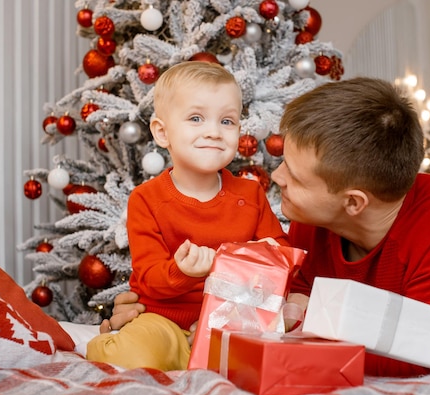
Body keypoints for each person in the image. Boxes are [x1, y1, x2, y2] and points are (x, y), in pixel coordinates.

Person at [102, 77, 430, 377]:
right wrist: (154, 307)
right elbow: (271, 308)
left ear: (352, 202)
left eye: (294, 176)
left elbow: (426, 360)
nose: (274, 177)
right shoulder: (312, 223)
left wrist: (304, 328)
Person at [86, 61, 288, 371]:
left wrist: (224, 317)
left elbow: (278, 261)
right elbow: (150, 277)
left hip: (231, 321)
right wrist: (184, 272)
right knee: (136, 357)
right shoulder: (146, 199)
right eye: (196, 118)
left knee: (259, 365)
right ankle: (113, 341)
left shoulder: (250, 195)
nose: (213, 132)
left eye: (227, 121)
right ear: (162, 132)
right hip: (162, 320)